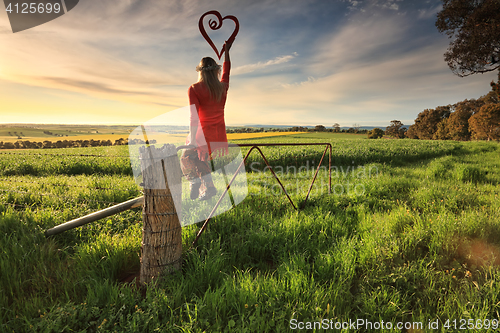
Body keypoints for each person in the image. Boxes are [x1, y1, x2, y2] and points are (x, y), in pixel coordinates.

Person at [180, 40, 233, 200]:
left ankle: (195, 182)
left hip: (201, 132)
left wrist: (192, 139)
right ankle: (208, 188)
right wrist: (227, 52)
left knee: (186, 157)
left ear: (200, 71)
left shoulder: (194, 88)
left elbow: (193, 116)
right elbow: (227, 72)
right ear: (216, 71)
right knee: (201, 160)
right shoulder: (222, 87)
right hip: (217, 133)